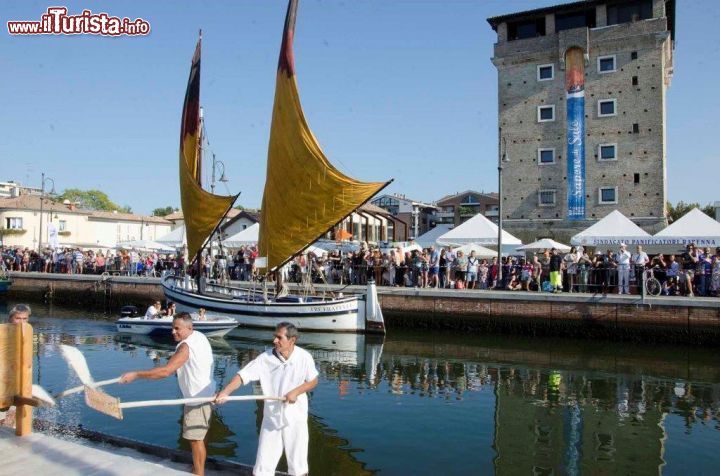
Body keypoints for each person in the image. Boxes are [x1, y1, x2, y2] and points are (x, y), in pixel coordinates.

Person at [216, 322, 318, 476]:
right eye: (274, 337)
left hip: (296, 417)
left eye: (279, 337)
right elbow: (242, 376)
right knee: (263, 464)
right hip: (272, 417)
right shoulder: (265, 358)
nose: (274, 341)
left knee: (298, 465)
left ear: (292, 340)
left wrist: (296, 392)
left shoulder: (304, 357)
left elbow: (313, 380)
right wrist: (225, 392)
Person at [120, 313, 215, 476]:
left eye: (177, 328)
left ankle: (199, 473)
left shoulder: (185, 347)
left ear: (189, 327)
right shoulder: (200, 336)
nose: (173, 332)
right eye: (172, 328)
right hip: (208, 394)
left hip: (196, 399)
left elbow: (165, 371)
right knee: (200, 435)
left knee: (195, 439)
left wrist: (136, 374)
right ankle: (198, 468)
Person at [1, 304, 32, 427]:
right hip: (3, 382)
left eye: (25, 319)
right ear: (10, 318)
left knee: (14, 417)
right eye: (18, 318)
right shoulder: (2, 333)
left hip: (18, 382)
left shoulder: (27, 335)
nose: (22, 322)